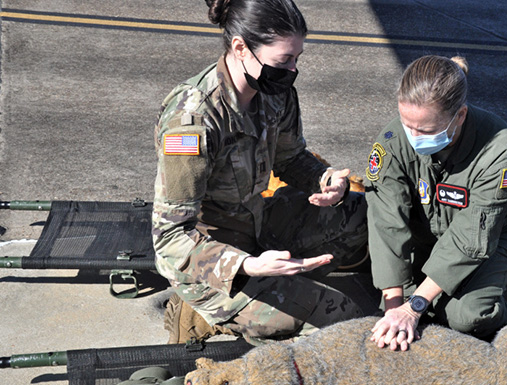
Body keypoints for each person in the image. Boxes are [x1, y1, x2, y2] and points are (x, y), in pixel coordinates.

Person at [153, 0, 367, 345]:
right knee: (341, 318)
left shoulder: (275, 93)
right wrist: (247, 267)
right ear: (241, 48)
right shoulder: (191, 123)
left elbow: (291, 158)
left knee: (358, 213)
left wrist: (324, 180)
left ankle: (283, 292)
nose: (293, 69)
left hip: (258, 225)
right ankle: (203, 313)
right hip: (210, 263)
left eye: (297, 58)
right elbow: (170, 238)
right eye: (284, 60)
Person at [366, 55, 507, 351]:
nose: (414, 137)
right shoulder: (393, 138)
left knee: (467, 318)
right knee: (392, 302)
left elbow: (473, 235)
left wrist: (413, 307)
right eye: (408, 125)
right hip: (426, 235)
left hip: (488, 237)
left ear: (461, 115)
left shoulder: (500, 149)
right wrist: (394, 306)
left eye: (427, 131)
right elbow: (386, 222)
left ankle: (503, 310)